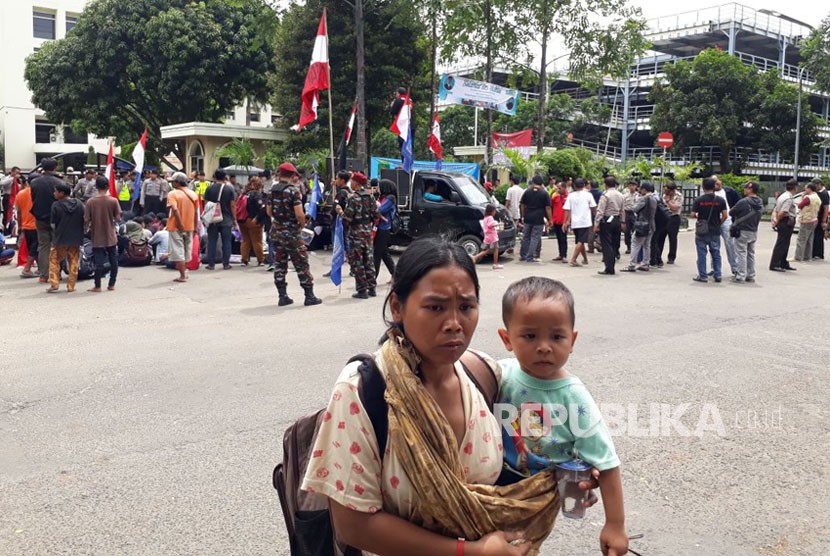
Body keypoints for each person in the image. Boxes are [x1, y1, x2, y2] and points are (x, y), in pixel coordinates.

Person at [300, 236, 585, 556]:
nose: (454, 324)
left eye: (466, 306)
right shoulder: (361, 393)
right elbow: (352, 525)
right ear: (397, 306)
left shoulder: (486, 377)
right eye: (435, 307)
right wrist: (470, 551)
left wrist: (565, 475)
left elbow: (529, 452)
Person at [497, 276, 627, 555]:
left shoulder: (573, 397)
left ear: (572, 340)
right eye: (530, 336)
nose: (544, 347)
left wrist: (615, 525)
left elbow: (606, 462)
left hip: (537, 499)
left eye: (556, 337)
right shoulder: (499, 374)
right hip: (491, 487)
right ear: (507, 338)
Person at [268, 162, 322, 306]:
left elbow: (268, 211)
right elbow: (299, 213)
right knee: (301, 263)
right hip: (291, 233)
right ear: (292, 175)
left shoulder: (272, 190)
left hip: (276, 231)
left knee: (279, 263)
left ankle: (282, 296)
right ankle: (309, 296)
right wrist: (303, 225)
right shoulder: (293, 191)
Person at [339, 171, 378, 299]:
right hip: (367, 232)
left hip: (356, 233)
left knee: (358, 261)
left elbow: (347, 219)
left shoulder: (353, 198)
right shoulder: (370, 197)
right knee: (369, 260)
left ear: (356, 182)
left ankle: (362, 290)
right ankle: (372, 288)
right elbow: (375, 215)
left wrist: (340, 212)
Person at [84, 176, 122, 292]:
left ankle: (97, 285)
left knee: (98, 261)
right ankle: (111, 284)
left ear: (96, 187)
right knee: (113, 260)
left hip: (97, 235)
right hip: (110, 234)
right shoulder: (113, 201)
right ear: (108, 186)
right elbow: (118, 217)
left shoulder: (90, 202)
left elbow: (86, 219)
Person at [47, 183, 85, 293]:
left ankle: (54, 284)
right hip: (75, 238)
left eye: (56, 191)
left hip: (60, 238)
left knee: (54, 260)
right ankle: (71, 286)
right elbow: (85, 219)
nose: (54, 193)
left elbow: (53, 224)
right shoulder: (79, 203)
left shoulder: (56, 205)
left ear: (62, 193)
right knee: (73, 261)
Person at [30, 158, 63, 283]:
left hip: (40, 217)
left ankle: (43, 275)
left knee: (43, 246)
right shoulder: (59, 181)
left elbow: (33, 198)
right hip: (56, 218)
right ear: (54, 168)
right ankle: (57, 273)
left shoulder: (34, 182)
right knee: (58, 245)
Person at [691, 177, 728, 283]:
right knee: (716, 253)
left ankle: (703, 276)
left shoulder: (699, 200)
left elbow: (693, 214)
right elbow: (725, 215)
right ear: (714, 187)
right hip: (715, 230)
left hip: (702, 231)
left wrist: (700, 218)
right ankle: (718, 275)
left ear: (703, 187)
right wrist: (718, 223)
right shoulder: (720, 200)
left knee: (702, 254)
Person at [166, 172, 199, 283]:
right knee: (186, 251)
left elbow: (174, 210)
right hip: (190, 226)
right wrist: (195, 227)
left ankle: (182, 275)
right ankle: (185, 272)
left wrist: (180, 226)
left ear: (177, 182)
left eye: (173, 182)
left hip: (176, 227)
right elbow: (196, 213)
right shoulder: (193, 194)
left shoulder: (172, 194)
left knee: (178, 252)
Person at [728, 181, 763, 283]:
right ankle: (750, 275)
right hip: (753, 230)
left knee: (741, 253)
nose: (744, 190)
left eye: (745, 188)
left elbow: (731, 212)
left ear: (750, 189)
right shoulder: (760, 202)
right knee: (751, 253)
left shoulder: (743, 202)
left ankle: (740, 275)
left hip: (742, 230)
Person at [204, 169, 238, 270]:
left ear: (214, 176)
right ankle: (226, 263)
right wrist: (234, 219)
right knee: (226, 241)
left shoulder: (209, 188)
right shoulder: (229, 189)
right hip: (226, 218)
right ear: (225, 177)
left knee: (212, 241)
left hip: (212, 219)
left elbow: (206, 204)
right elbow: (232, 205)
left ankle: (211, 264)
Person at [621, 182, 657, 273]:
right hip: (651, 225)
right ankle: (645, 263)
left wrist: (633, 204)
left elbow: (634, 209)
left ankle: (631, 265)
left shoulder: (643, 199)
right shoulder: (654, 198)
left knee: (635, 244)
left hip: (642, 225)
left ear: (644, 189)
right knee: (646, 245)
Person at [594, 176, 625, 275]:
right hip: (616, 219)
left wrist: (596, 223)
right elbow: (622, 210)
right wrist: (623, 221)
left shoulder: (605, 195)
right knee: (614, 243)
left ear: (605, 185)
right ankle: (612, 263)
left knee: (606, 244)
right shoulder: (621, 195)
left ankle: (609, 267)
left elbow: (600, 211)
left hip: (607, 220)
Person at [562, 178, 596, 267]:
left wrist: (565, 222)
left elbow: (567, 209)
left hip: (575, 222)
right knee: (581, 241)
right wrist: (596, 217)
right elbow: (593, 207)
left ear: (574, 186)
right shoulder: (588, 195)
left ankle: (585, 259)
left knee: (579, 241)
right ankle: (573, 259)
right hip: (585, 221)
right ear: (584, 185)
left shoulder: (571, 195)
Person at [519, 175, 551, 263]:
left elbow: (522, 204)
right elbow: (548, 207)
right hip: (538, 217)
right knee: (535, 237)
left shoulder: (527, 191)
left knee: (526, 236)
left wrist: (523, 214)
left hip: (528, 216)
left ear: (533, 182)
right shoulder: (544, 193)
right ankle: (530, 257)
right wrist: (550, 219)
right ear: (541, 183)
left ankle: (523, 255)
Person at [770, 179, 798, 272]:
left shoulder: (783, 195)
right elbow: (783, 211)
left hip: (784, 221)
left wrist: (775, 219)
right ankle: (775, 264)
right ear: (795, 187)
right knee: (782, 244)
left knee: (785, 243)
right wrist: (777, 220)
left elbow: (776, 209)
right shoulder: (788, 198)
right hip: (785, 221)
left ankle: (783, 263)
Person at [14, 178, 39, 278]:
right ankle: (27, 268)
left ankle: (40, 268)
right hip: (36, 224)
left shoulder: (20, 194)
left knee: (32, 247)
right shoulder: (38, 193)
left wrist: (19, 225)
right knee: (35, 247)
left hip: (25, 224)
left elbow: (18, 212)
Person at [238, 176, 266, 266]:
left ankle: (244, 260)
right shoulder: (256, 194)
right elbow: (261, 208)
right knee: (257, 241)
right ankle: (260, 259)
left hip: (242, 219)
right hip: (253, 220)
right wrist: (258, 218)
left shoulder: (243, 193)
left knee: (245, 240)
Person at [713, 175, 737, 276]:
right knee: (714, 245)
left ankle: (735, 267)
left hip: (727, 220)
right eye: (713, 182)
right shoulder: (709, 193)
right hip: (714, 221)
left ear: (720, 181)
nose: (716, 183)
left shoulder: (729, 191)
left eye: (717, 181)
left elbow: (738, 203)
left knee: (730, 243)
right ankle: (714, 268)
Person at [374, 179, 397, 281]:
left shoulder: (390, 198)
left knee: (377, 254)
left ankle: (372, 279)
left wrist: (375, 209)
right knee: (384, 253)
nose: (378, 189)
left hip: (384, 229)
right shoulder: (383, 197)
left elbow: (380, 210)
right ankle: (396, 275)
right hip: (380, 227)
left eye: (379, 187)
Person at [794, 183, 820, 263]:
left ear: (809, 189)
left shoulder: (808, 198)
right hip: (814, 219)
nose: (805, 190)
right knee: (809, 239)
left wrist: (802, 197)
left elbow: (800, 206)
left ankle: (798, 257)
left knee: (801, 239)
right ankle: (807, 257)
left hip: (806, 220)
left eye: (806, 189)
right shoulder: (817, 197)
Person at [472, 204, 502, 269]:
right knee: (496, 249)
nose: (495, 212)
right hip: (492, 237)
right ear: (491, 211)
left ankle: (475, 257)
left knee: (487, 250)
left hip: (488, 236)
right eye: (494, 211)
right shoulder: (490, 218)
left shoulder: (485, 218)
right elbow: (490, 225)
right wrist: (497, 224)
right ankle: (495, 264)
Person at [659, 182, 683, 264]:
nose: (666, 192)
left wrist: (668, 201)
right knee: (661, 237)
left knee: (672, 238)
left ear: (672, 191)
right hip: (664, 217)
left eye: (668, 190)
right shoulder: (664, 195)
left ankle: (671, 257)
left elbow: (675, 208)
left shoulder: (678, 196)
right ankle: (658, 256)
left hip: (674, 217)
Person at [550, 181, 569, 262]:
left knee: (563, 239)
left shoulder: (568, 197)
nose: (558, 189)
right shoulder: (556, 197)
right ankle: (560, 254)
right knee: (558, 238)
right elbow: (549, 202)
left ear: (564, 188)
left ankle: (564, 255)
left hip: (563, 222)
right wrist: (552, 192)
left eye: (559, 188)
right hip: (556, 221)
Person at [811, 177, 828, 260]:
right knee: (814, 236)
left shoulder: (824, 194)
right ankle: (813, 253)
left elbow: (826, 208)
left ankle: (818, 254)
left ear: (819, 184)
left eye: (815, 185)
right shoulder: (816, 193)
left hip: (821, 217)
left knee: (819, 236)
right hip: (815, 217)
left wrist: (824, 221)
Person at [621, 180, 639, 254]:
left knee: (635, 230)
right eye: (630, 185)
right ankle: (628, 246)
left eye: (633, 185)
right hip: (627, 213)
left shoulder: (638, 195)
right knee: (627, 231)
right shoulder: (625, 196)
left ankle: (635, 247)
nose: (632, 187)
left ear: (636, 186)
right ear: (628, 187)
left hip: (635, 214)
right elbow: (622, 206)